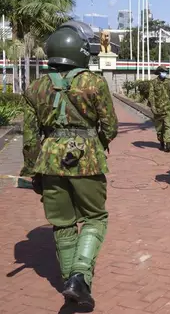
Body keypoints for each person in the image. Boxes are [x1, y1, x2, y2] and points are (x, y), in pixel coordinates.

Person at [20, 20, 118, 309]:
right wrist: (93, 143)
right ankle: (79, 276)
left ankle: (70, 282)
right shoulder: (93, 82)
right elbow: (110, 126)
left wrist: (32, 172)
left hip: (49, 161)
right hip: (87, 159)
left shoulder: (35, 87)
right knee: (95, 217)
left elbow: (29, 137)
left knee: (62, 223)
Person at [148, 65, 170, 152]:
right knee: (159, 128)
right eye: (163, 72)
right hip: (158, 109)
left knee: (168, 126)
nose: (164, 74)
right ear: (159, 72)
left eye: (165, 72)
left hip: (168, 108)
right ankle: (161, 143)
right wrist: (153, 108)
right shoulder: (153, 83)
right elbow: (151, 96)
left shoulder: (169, 81)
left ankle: (168, 144)